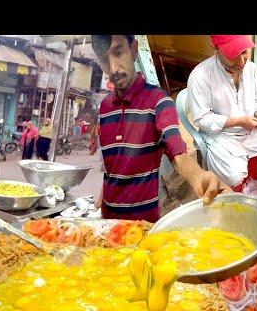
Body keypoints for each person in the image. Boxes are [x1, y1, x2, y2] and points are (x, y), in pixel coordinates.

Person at [91, 35, 228, 223]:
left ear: (134, 48)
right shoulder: (105, 107)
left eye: (118, 52)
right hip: (106, 224)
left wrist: (198, 175)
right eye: (104, 59)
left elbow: (178, 152)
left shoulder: (158, 102)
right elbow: (112, 164)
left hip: (141, 227)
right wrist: (103, 195)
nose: (113, 68)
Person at [187, 35, 257, 188]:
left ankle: (254, 172)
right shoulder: (200, 76)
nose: (241, 62)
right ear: (215, 48)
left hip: (250, 131)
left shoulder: (251, 68)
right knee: (234, 177)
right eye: (233, 55)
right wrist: (239, 121)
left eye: (244, 52)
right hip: (221, 136)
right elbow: (202, 119)